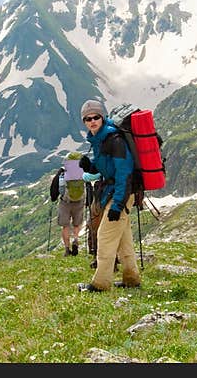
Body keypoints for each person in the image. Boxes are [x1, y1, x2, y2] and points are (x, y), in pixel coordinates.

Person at [76, 99, 141, 292]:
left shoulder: (115, 140)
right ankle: (132, 279)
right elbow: (107, 165)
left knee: (105, 237)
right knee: (123, 239)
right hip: (113, 192)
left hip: (121, 194)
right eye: (88, 119)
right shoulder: (99, 139)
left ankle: (101, 284)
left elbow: (124, 173)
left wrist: (117, 205)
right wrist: (92, 166)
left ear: (102, 117)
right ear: (84, 121)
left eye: (96, 117)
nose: (92, 121)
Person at [54, 152, 86, 256]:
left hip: (65, 202)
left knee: (65, 226)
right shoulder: (82, 172)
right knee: (77, 224)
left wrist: (53, 197)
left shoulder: (63, 172)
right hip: (79, 201)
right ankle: (75, 239)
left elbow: (55, 187)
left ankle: (67, 249)